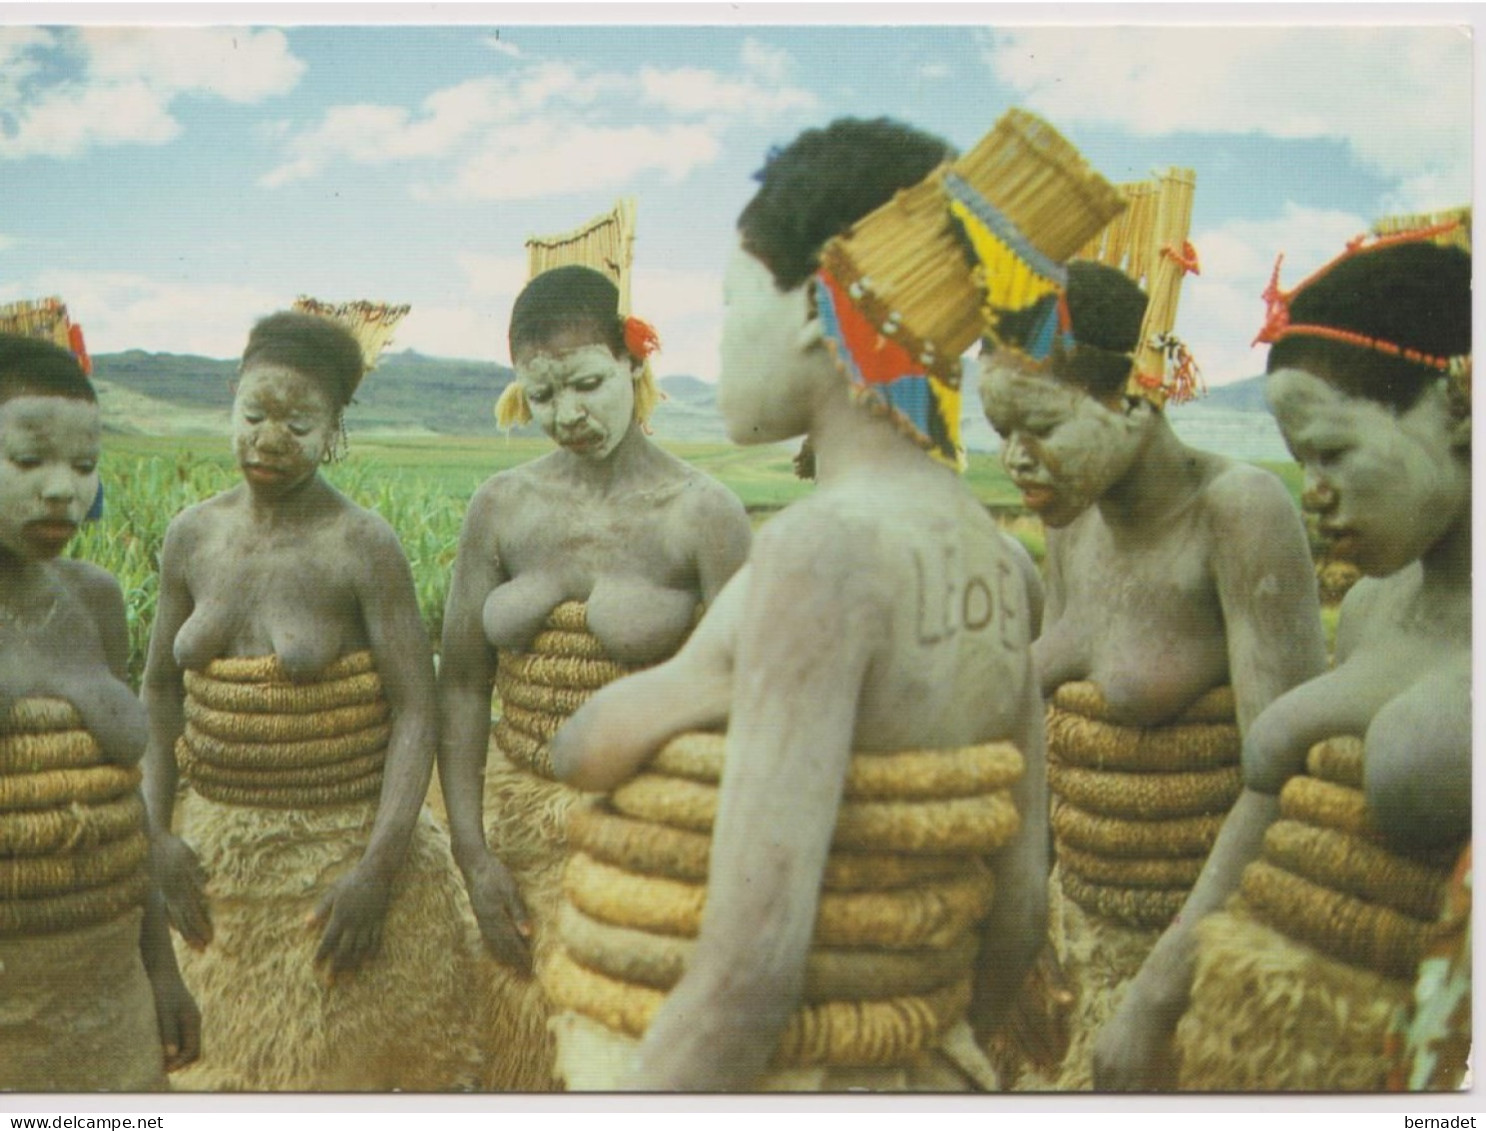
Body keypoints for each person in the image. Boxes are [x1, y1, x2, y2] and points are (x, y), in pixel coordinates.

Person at [543, 116, 1054, 1091]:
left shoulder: (820, 553)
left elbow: (748, 973)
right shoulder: (998, 561)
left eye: (732, 301)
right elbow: (1018, 908)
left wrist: (685, 687)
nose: (721, 336)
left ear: (822, 310)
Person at [1094, 228, 1471, 1091]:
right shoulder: (1377, 606)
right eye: (1302, 461)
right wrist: (1155, 998)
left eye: (1334, 451)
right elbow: (1266, 812)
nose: (1316, 491)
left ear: (1460, 402)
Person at [978, 260, 1327, 1088]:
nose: (1015, 462)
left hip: (1194, 965)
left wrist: (1157, 997)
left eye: (1043, 429)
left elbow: (1285, 776)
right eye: (1003, 436)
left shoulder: (1236, 513)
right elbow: (1046, 739)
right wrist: (1020, 929)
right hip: (1073, 939)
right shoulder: (1072, 520)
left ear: (1133, 398)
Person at [141, 311, 484, 1091]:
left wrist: (377, 870)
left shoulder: (360, 544)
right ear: (231, 400)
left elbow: (418, 709)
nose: (270, 439)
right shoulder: (191, 535)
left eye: (299, 422)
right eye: (255, 414)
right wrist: (155, 837)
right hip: (215, 860)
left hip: (341, 856)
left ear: (333, 430)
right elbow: (160, 690)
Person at [437, 264, 751, 1090]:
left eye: (586, 384)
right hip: (514, 835)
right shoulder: (501, 506)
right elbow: (464, 683)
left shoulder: (702, 512)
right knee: (516, 1058)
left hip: (649, 838)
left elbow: (751, 707)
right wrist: (473, 853)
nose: (566, 415)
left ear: (633, 365)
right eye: (541, 396)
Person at [0, 332, 198, 1090]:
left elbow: (126, 799)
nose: (62, 490)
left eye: (84, 467)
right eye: (28, 461)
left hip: (110, 1002)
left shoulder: (94, 599)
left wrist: (163, 970)